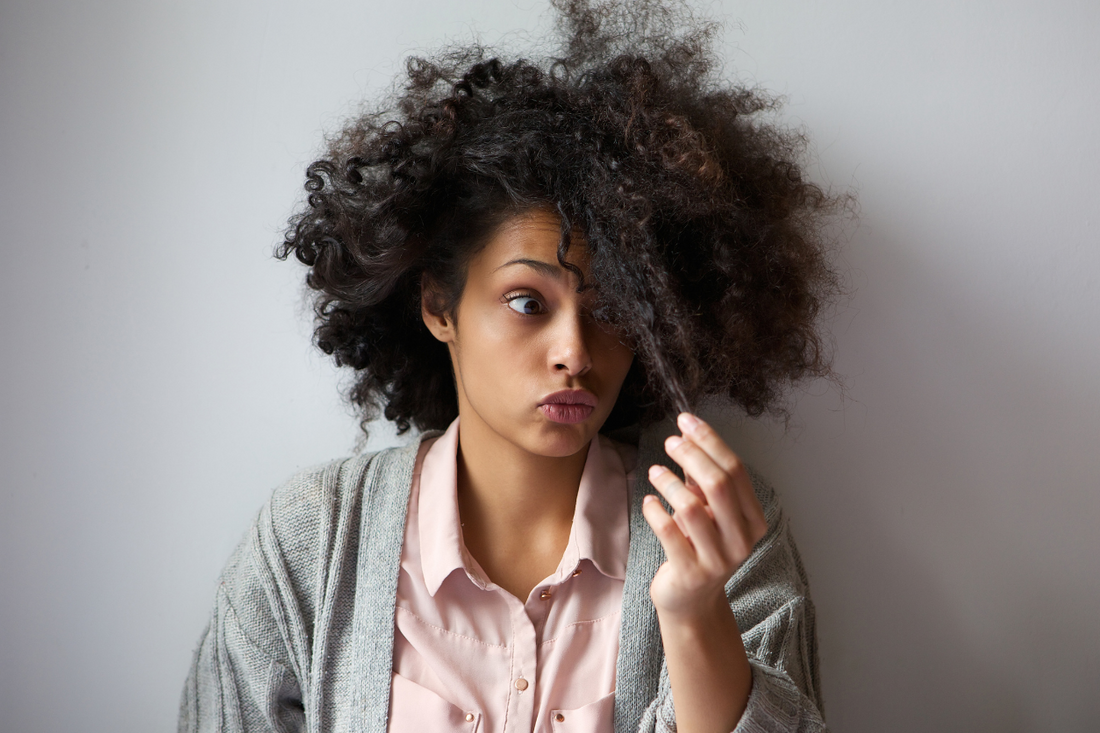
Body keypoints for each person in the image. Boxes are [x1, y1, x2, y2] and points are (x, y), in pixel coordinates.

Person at [179, 1, 841, 731]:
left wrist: (692, 615)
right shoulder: (307, 544)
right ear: (439, 305)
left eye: (615, 310)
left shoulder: (724, 532)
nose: (576, 351)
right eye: (529, 302)